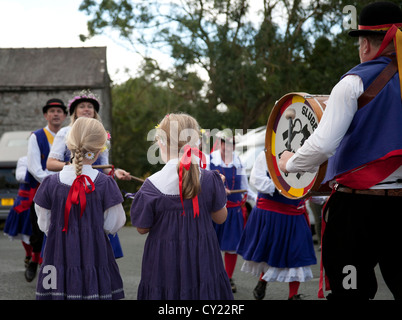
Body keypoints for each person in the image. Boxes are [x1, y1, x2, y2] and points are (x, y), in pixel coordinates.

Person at [278, 2, 402, 300]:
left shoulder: (353, 82)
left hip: (357, 210)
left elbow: (323, 144)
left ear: (365, 44)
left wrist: (287, 163)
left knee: (350, 291)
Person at [130, 113, 233, 300]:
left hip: (164, 261)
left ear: (160, 143)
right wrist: (219, 191)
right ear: (197, 143)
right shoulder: (210, 179)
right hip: (202, 257)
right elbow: (221, 217)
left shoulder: (151, 185)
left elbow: (142, 228)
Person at [34, 117, 125, 300]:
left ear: (69, 145)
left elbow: (44, 222)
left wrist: (61, 232)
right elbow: (114, 223)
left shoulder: (50, 182)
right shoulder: (105, 183)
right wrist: (92, 231)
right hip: (96, 251)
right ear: (99, 149)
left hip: (58, 251)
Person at [46, 90, 129, 259]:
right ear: (74, 112)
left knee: (95, 231)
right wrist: (72, 165)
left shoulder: (102, 134)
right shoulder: (64, 132)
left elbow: (103, 165)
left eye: (90, 106)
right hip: (69, 184)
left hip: (93, 187)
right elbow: (50, 163)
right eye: (82, 106)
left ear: (95, 112)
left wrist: (116, 172)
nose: (86, 109)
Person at [237, 151, 316, 300]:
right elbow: (257, 180)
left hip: (295, 214)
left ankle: (293, 296)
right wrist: (285, 186)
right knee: (270, 252)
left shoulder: (307, 155)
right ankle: (263, 280)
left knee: (297, 254)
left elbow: (313, 183)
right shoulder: (266, 155)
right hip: (272, 213)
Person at [24, 98, 68, 282]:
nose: (55, 114)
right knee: (39, 228)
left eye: (59, 111)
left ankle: (58, 266)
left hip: (66, 188)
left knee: (62, 228)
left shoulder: (70, 134)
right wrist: (53, 182)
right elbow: (34, 167)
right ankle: (34, 261)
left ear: (65, 116)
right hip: (43, 187)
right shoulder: (37, 136)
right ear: (45, 115)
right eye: (52, 111)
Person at [208, 130, 256, 293]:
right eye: (225, 144)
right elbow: (204, 184)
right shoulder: (209, 161)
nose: (227, 147)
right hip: (213, 211)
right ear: (220, 144)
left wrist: (258, 199)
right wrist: (219, 189)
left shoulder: (238, 162)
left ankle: (228, 278)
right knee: (211, 245)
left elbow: (245, 187)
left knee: (231, 247)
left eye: (231, 145)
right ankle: (212, 277)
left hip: (233, 211)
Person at [3, 156, 33, 267]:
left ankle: (38, 257)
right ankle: (30, 254)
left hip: (44, 196)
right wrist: (37, 170)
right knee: (24, 230)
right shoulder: (24, 160)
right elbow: (19, 176)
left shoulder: (51, 158)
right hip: (26, 200)